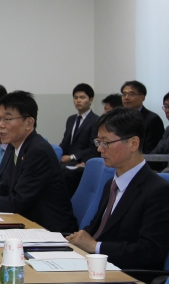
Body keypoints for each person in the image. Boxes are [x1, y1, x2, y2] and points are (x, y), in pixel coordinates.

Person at [0, 91, 78, 233]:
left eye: (7, 119)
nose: (0, 125)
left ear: (29, 123)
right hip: (27, 222)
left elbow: (18, 202)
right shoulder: (16, 147)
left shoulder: (37, 151)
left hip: (50, 230)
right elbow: (6, 189)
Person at [67, 107, 169, 270]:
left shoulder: (158, 190)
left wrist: (96, 247)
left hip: (127, 275)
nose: (100, 149)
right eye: (98, 142)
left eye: (106, 143)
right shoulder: (111, 184)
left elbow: (150, 251)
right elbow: (97, 229)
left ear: (133, 143)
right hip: (95, 266)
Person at [59, 83, 99, 166]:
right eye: (75, 97)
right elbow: (65, 142)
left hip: (82, 161)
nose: (78, 100)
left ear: (91, 100)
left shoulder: (96, 120)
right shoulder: (71, 119)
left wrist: (72, 157)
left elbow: (93, 148)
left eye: (82, 97)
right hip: (66, 159)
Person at [120, 80, 165, 153]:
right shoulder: (118, 119)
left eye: (131, 94)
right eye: (124, 94)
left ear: (142, 97)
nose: (126, 97)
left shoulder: (152, 119)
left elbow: (151, 149)